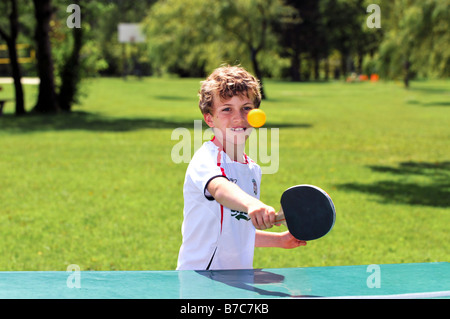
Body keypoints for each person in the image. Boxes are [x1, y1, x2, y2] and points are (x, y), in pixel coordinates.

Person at [176, 65, 305, 271]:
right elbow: (220, 189)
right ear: (209, 118)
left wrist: (279, 240)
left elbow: (237, 231)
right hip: (200, 280)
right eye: (227, 109)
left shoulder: (253, 170)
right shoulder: (205, 160)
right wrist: (251, 203)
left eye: (246, 108)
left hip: (237, 281)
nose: (238, 117)